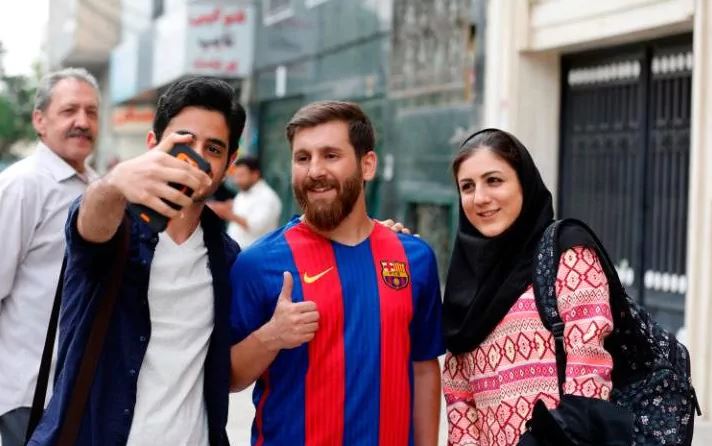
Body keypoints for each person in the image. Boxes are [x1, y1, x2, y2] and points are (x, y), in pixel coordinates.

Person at [28, 76, 246, 445]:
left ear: (229, 163)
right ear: (153, 145)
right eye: (184, 142)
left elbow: (228, 371)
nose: (197, 159)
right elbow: (89, 225)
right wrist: (114, 184)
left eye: (213, 148)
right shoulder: (117, 226)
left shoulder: (226, 256)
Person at [229, 101, 444, 446]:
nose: (315, 170)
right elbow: (226, 377)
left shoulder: (414, 259)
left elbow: (423, 368)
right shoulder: (257, 264)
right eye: (303, 158)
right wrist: (272, 336)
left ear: (367, 165)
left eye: (330, 155)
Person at [441, 128, 614, 446]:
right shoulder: (465, 282)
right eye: (467, 186)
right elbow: (459, 395)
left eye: (494, 180)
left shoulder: (567, 253)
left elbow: (589, 373)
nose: (480, 198)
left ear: (524, 182)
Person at [0, 68, 100, 446]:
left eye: (91, 112)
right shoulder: (22, 186)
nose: (82, 122)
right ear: (40, 121)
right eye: (69, 110)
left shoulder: (98, 188)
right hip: (28, 395)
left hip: (81, 392)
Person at [210, 156, 282, 248]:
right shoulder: (244, 192)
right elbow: (242, 210)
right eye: (236, 176)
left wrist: (228, 214)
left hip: (255, 253)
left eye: (241, 175)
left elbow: (257, 226)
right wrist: (227, 206)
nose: (237, 181)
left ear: (255, 174)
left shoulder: (267, 197)